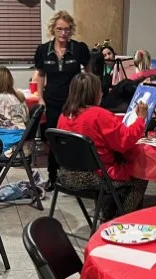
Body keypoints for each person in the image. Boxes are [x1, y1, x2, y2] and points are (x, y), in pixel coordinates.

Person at [56, 72, 148, 218]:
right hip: (95, 177)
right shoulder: (98, 114)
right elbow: (124, 141)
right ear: (95, 93)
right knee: (141, 175)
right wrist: (140, 119)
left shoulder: (64, 115)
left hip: (66, 174)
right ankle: (122, 217)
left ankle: (111, 212)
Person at [33, 10, 91, 187]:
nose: (63, 33)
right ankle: (53, 176)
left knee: (75, 138)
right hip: (52, 101)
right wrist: (40, 98)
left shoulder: (79, 48)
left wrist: (88, 96)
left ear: (71, 29)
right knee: (54, 140)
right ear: (53, 29)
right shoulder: (43, 50)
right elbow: (41, 75)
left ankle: (76, 177)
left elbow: (89, 72)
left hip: (74, 101)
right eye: (59, 29)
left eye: (66, 29)